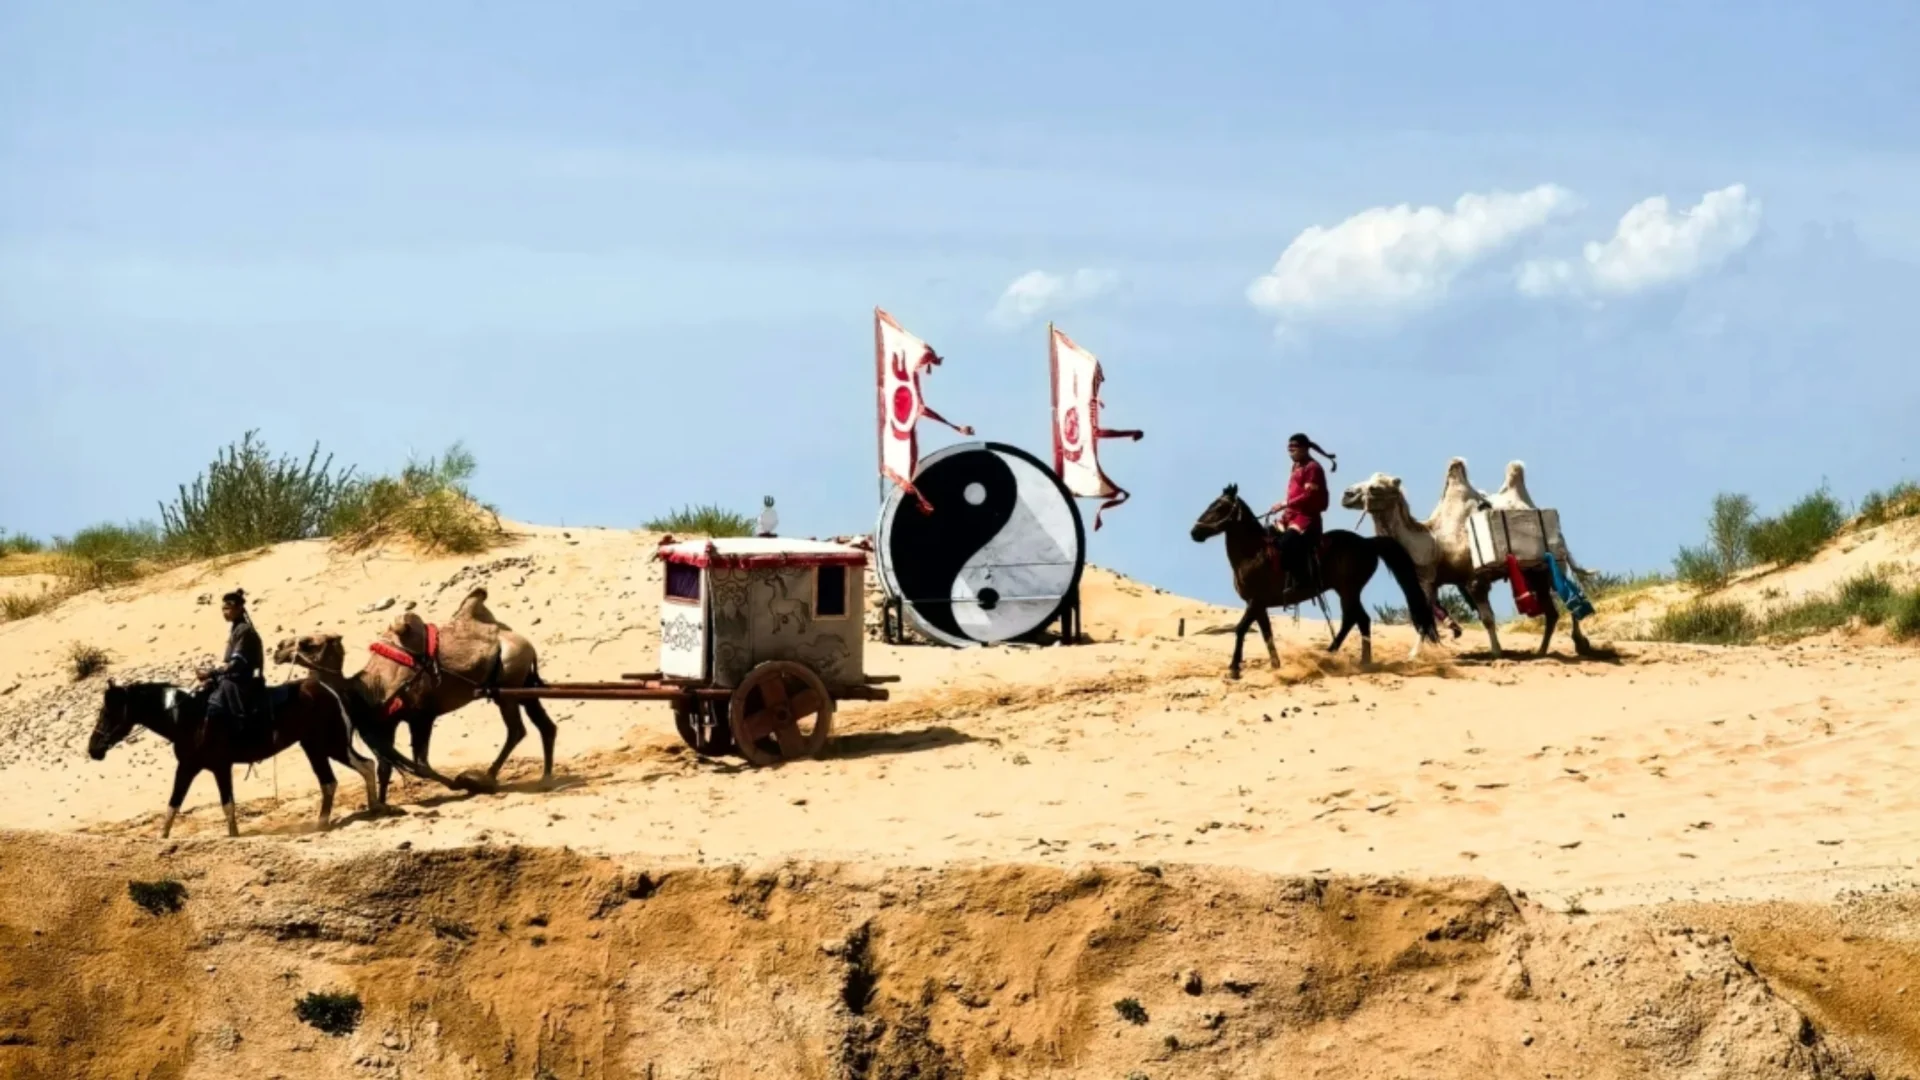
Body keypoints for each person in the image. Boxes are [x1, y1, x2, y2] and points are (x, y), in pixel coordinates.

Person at [1267, 433, 1337, 592]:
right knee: (1267, 535)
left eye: (1295, 448)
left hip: (1306, 519)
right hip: (1290, 517)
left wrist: (1284, 504)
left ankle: (1301, 581)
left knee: (1286, 543)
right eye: (1289, 449)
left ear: (1305, 449)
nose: (1291, 452)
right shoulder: (1296, 466)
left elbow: (1309, 496)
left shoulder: (1313, 468)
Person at [198, 588, 266, 739]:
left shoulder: (244, 630)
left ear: (239, 609)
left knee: (223, 692)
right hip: (235, 675)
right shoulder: (236, 629)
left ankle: (244, 732)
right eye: (223, 609)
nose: (225, 612)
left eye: (228, 609)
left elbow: (237, 663)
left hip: (244, 679)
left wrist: (212, 673)